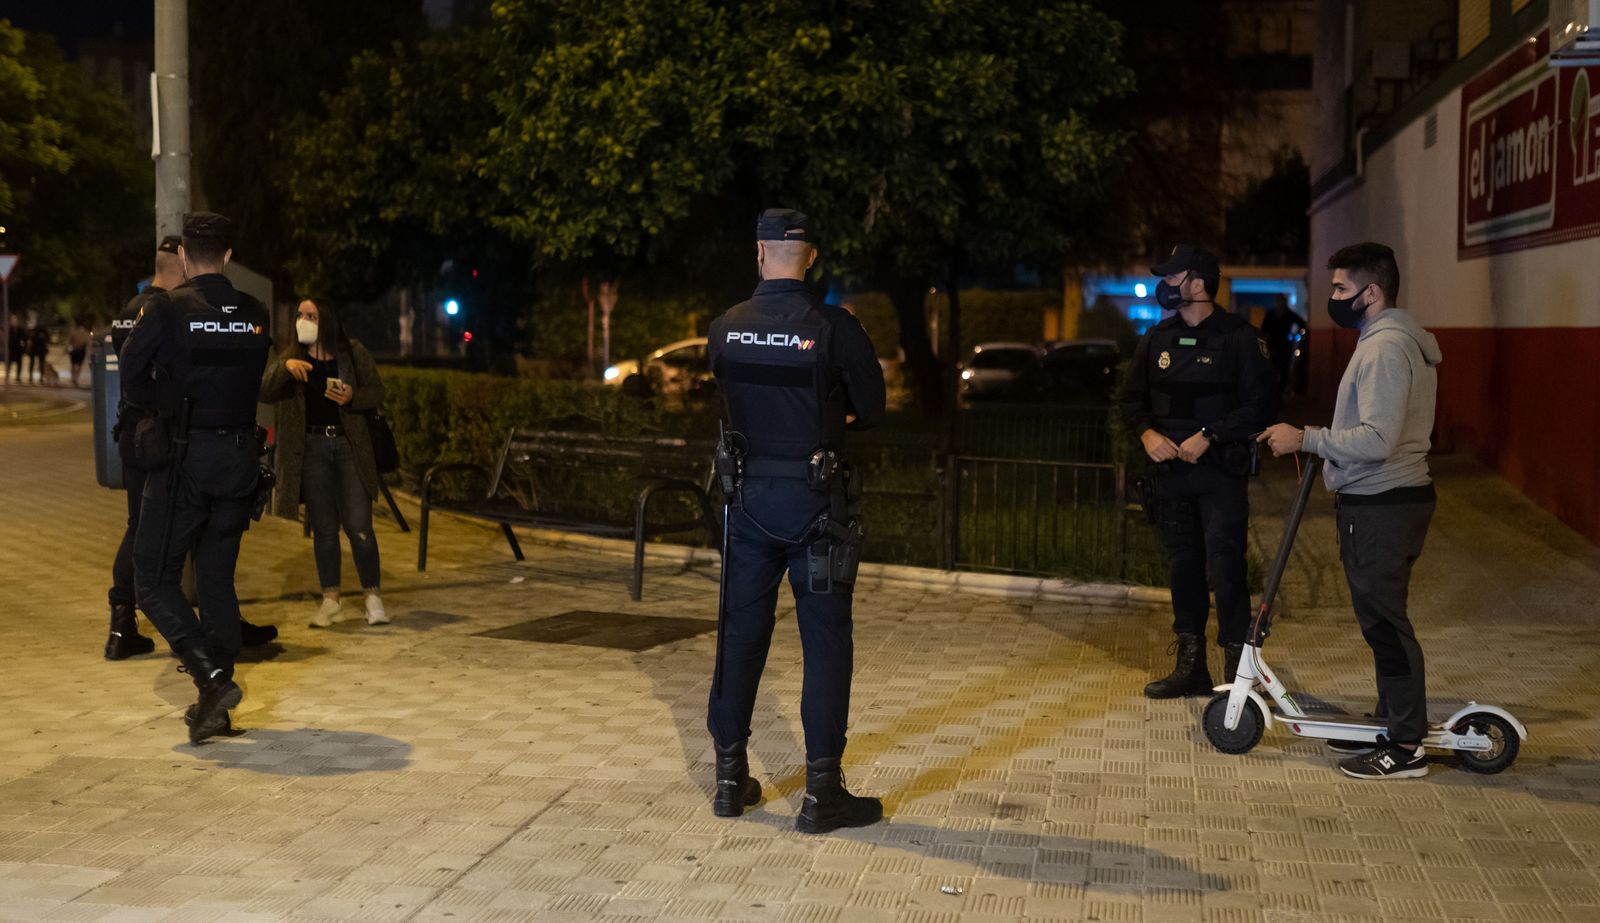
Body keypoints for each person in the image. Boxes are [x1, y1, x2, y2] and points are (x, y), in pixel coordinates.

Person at [706, 208, 887, 834]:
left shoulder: (725, 327)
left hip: (748, 508)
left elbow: (729, 400)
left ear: (759, 253)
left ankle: (729, 782)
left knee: (739, 639)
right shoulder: (836, 329)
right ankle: (821, 796)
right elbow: (873, 406)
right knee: (826, 647)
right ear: (810, 257)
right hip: (816, 510)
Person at [1259, 242, 1441, 780]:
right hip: (1383, 500)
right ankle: (1392, 720)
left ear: (1372, 291)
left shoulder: (1384, 349)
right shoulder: (1385, 341)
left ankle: (1406, 746)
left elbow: (1379, 438)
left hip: (1383, 500)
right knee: (1380, 619)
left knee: (1386, 623)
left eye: (1341, 289)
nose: (1333, 298)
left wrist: (1308, 438)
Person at [122, 212, 271, 744]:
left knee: (152, 576)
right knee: (216, 581)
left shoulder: (167, 308)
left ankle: (208, 678)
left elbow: (131, 370)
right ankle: (218, 707)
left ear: (184, 256)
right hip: (239, 459)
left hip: (185, 459)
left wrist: (159, 409)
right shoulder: (256, 313)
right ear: (228, 256)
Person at [1118, 244, 1277, 698]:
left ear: (1198, 284)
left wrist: (1209, 433)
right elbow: (1131, 401)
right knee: (1183, 568)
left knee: (1226, 569)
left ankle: (1236, 673)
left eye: (1174, 277)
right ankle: (1191, 667)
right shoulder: (1156, 339)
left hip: (1220, 475)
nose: (1165, 285)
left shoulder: (1241, 339)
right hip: (1173, 478)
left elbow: (1261, 408)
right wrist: (1147, 434)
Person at [260, 298, 389, 627]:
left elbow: (377, 390)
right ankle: (331, 599)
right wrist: (284, 369)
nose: (304, 320)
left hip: (349, 447)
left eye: (312, 316)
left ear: (326, 320)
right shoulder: (292, 357)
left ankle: (372, 595)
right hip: (311, 448)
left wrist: (352, 397)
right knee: (324, 530)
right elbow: (264, 390)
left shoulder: (351, 352)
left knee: (359, 526)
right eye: (300, 315)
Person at [1258, 294, 1308, 396]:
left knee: (1283, 370)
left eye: (1280, 302)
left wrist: (1296, 334)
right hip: (1273, 346)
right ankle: (1275, 393)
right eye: (1278, 302)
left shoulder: (1287, 315)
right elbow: (1263, 330)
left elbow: (1302, 324)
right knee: (1273, 369)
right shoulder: (1271, 315)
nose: (1279, 304)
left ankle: (1279, 393)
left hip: (1283, 346)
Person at [68, 317, 92, 387]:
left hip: (74, 350)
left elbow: (70, 341)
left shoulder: (74, 333)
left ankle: (73, 378)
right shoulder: (87, 334)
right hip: (81, 351)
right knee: (79, 365)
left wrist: (68, 348)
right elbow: (89, 343)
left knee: (73, 364)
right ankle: (76, 378)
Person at [26, 318, 50, 384]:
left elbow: (48, 340)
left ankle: (41, 377)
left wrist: (47, 348)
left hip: (41, 349)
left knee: (41, 363)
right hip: (34, 349)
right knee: (32, 363)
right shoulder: (32, 330)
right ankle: (31, 376)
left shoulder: (43, 330)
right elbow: (28, 339)